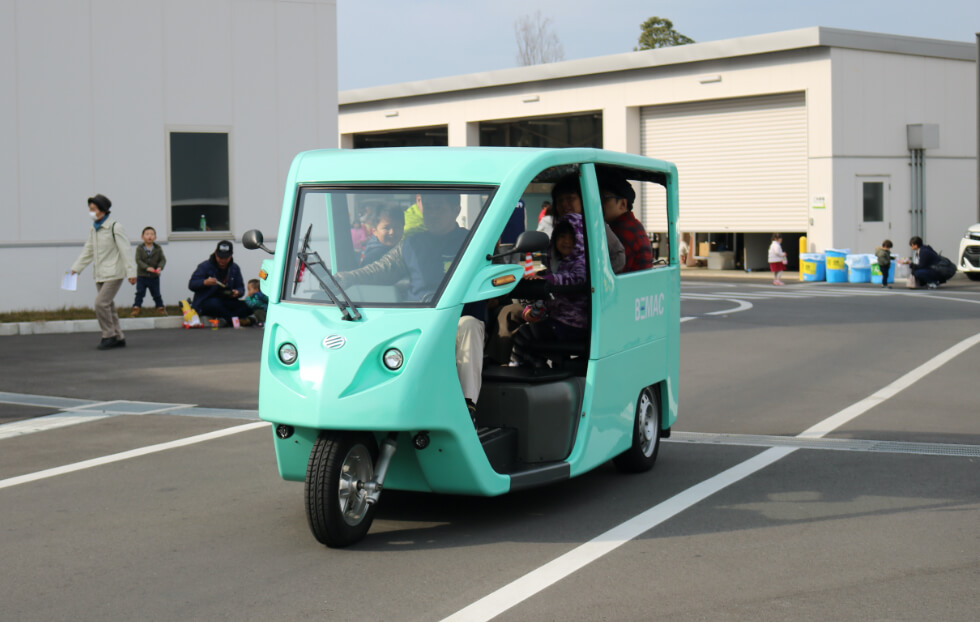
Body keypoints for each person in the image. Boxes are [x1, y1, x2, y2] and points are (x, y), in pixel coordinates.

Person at [337, 193, 484, 424]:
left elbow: (494, 276)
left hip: (456, 324)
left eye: (438, 206)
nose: (432, 213)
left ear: (456, 209)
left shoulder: (474, 243)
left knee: (470, 325)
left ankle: (467, 409)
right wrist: (343, 278)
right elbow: (379, 269)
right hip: (418, 322)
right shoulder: (412, 244)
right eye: (428, 207)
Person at [513, 214, 588, 367]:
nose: (566, 242)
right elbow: (550, 296)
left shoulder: (582, 262)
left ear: (580, 239)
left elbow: (577, 279)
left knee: (525, 335)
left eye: (571, 238)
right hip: (558, 321)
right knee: (528, 331)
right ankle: (538, 368)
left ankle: (529, 370)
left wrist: (550, 279)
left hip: (574, 324)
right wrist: (534, 310)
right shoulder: (556, 263)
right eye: (561, 236)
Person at [70, 194, 137, 350]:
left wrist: (131, 272)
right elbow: (88, 251)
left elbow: (125, 250)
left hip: (114, 273)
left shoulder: (115, 227)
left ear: (103, 210)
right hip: (100, 273)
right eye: (90, 209)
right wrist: (76, 269)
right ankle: (119, 337)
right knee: (108, 306)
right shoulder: (94, 229)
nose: (91, 212)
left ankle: (109, 335)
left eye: (93, 209)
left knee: (100, 303)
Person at [551, 174, 626, 273]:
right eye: (560, 200)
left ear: (583, 200)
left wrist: (596, 277)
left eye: (570, 198)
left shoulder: (595, 226)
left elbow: (618, 255)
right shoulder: (560, 227)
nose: (564, 204)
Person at [188, 240, 255, 326]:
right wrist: (204, 282)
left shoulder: (234, 268)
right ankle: (234, 320)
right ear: (215, 254)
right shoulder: (204, 266)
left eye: (226, 258)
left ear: (230, 256)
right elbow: (191, 284)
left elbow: (240, 288)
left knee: (247, 305)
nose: (222, 261)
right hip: (207, 301)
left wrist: (237, 292)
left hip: (227, 300)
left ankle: (231, 319)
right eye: (220, 257)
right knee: (215, 304)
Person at [597, 173, 653, 272]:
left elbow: (613, 272)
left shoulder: (622, 232)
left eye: (604, 199)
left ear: (623, 204)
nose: (599, 204)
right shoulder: (634, 225)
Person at [132, 226, 167, 316]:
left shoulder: (158, 248)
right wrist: (147, 267)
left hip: (154, 276)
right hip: (142, 276)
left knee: (156, 293)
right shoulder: (139, 248)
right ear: (142, 237)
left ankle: (160, 307)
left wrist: (160, 267)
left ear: (155, 237)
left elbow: (162, 260)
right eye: (147, 234)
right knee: (140, 293)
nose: (149, 236)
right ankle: (136, 307)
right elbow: (138, 260)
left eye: (152, 234)